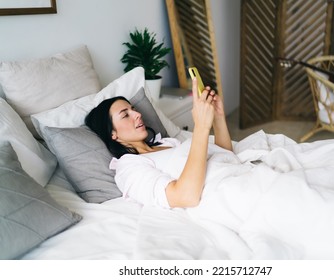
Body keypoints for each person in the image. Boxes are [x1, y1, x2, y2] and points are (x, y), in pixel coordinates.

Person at [85, 78, 233, 208]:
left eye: (133, 110)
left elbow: (224, 156)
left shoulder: (167, 142)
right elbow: (185, 197)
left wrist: (218, 118)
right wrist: (201, 127)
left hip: (233, 174)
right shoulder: (128, 167)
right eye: (125, 115)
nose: (138, 114)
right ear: (113, 134)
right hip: (223, 192)